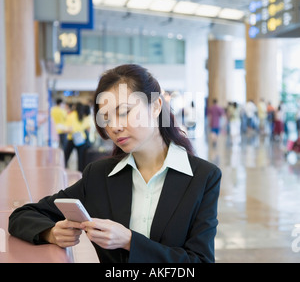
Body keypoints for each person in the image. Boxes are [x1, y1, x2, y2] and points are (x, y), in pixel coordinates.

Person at [8, 64, 221, 263]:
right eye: (106, 118)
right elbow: (23, 216)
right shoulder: (99, 175)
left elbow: (199, 260)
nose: (114, 127)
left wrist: (129, 241)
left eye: (124, 112)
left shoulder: (203, 177)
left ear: (156, 106)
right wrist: (51, 232)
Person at [64, 102, 88, 172]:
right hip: (81, 138)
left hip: (72, 137)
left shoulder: (71, 115)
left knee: (66, 155)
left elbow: (68, 127)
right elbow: (85, 126)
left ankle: (63, 169)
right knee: (80, 158)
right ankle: (81, 173)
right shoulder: (83, 116)